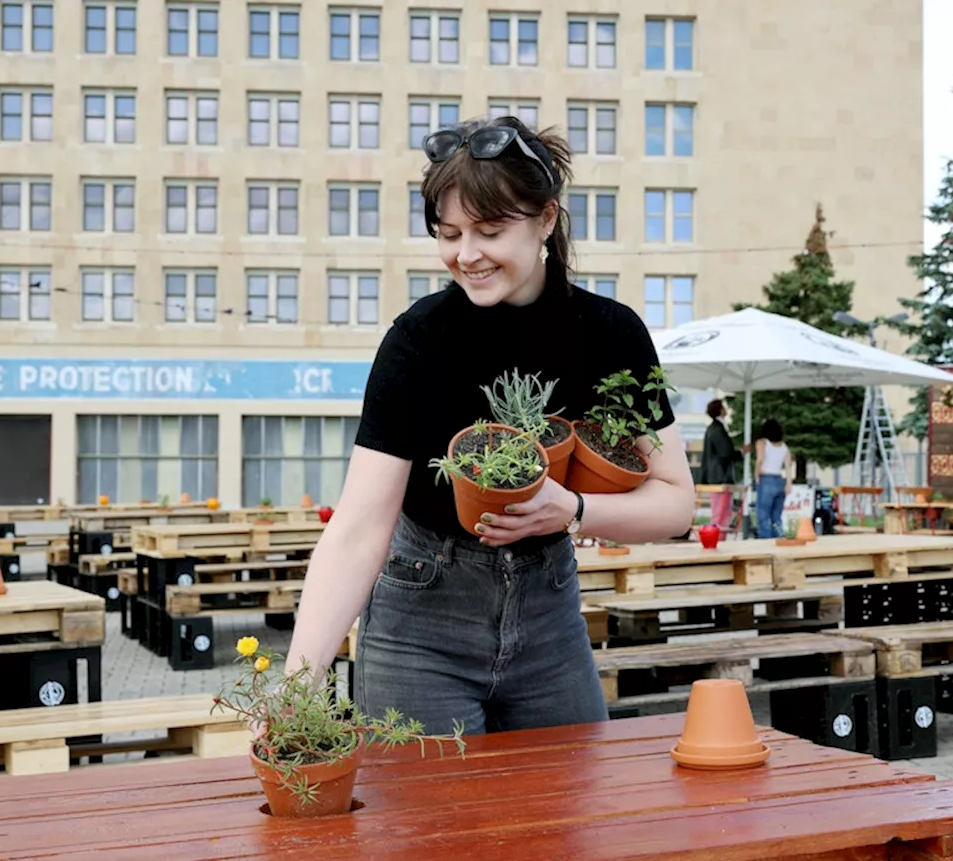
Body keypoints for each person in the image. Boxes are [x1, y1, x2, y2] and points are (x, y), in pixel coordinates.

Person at [282, 116, 695, 737]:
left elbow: (676, 502)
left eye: (490, 231)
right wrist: (297, 689)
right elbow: (360, 525)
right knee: (428, 830)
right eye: (449, 234)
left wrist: (573, 509)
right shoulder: (418, 340)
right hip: (421, 624)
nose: (466, 255)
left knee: (567, 824)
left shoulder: (612, 335)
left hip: (549, 621)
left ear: (547, 220)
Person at [697, 399, 740, 529]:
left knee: (721, 512)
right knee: (721, 513)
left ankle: (719, 539)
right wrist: (740, 453)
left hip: (715, 476)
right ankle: (717, 540)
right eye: (724, 407)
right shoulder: (717, 429)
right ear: (720, 410)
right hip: (720, 476)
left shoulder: (712, 428)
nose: (726, 409)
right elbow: (725, 452)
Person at [754, 419, 792, 538]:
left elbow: (760, 459)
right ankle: (779, 540)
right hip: (780, 480)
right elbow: (788, 466)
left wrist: (756, 474)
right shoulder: (784, 447)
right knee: (777, 517)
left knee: (763, 516)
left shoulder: (762, 442)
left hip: (766, 479)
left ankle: (765, 543)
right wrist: (788, 484)